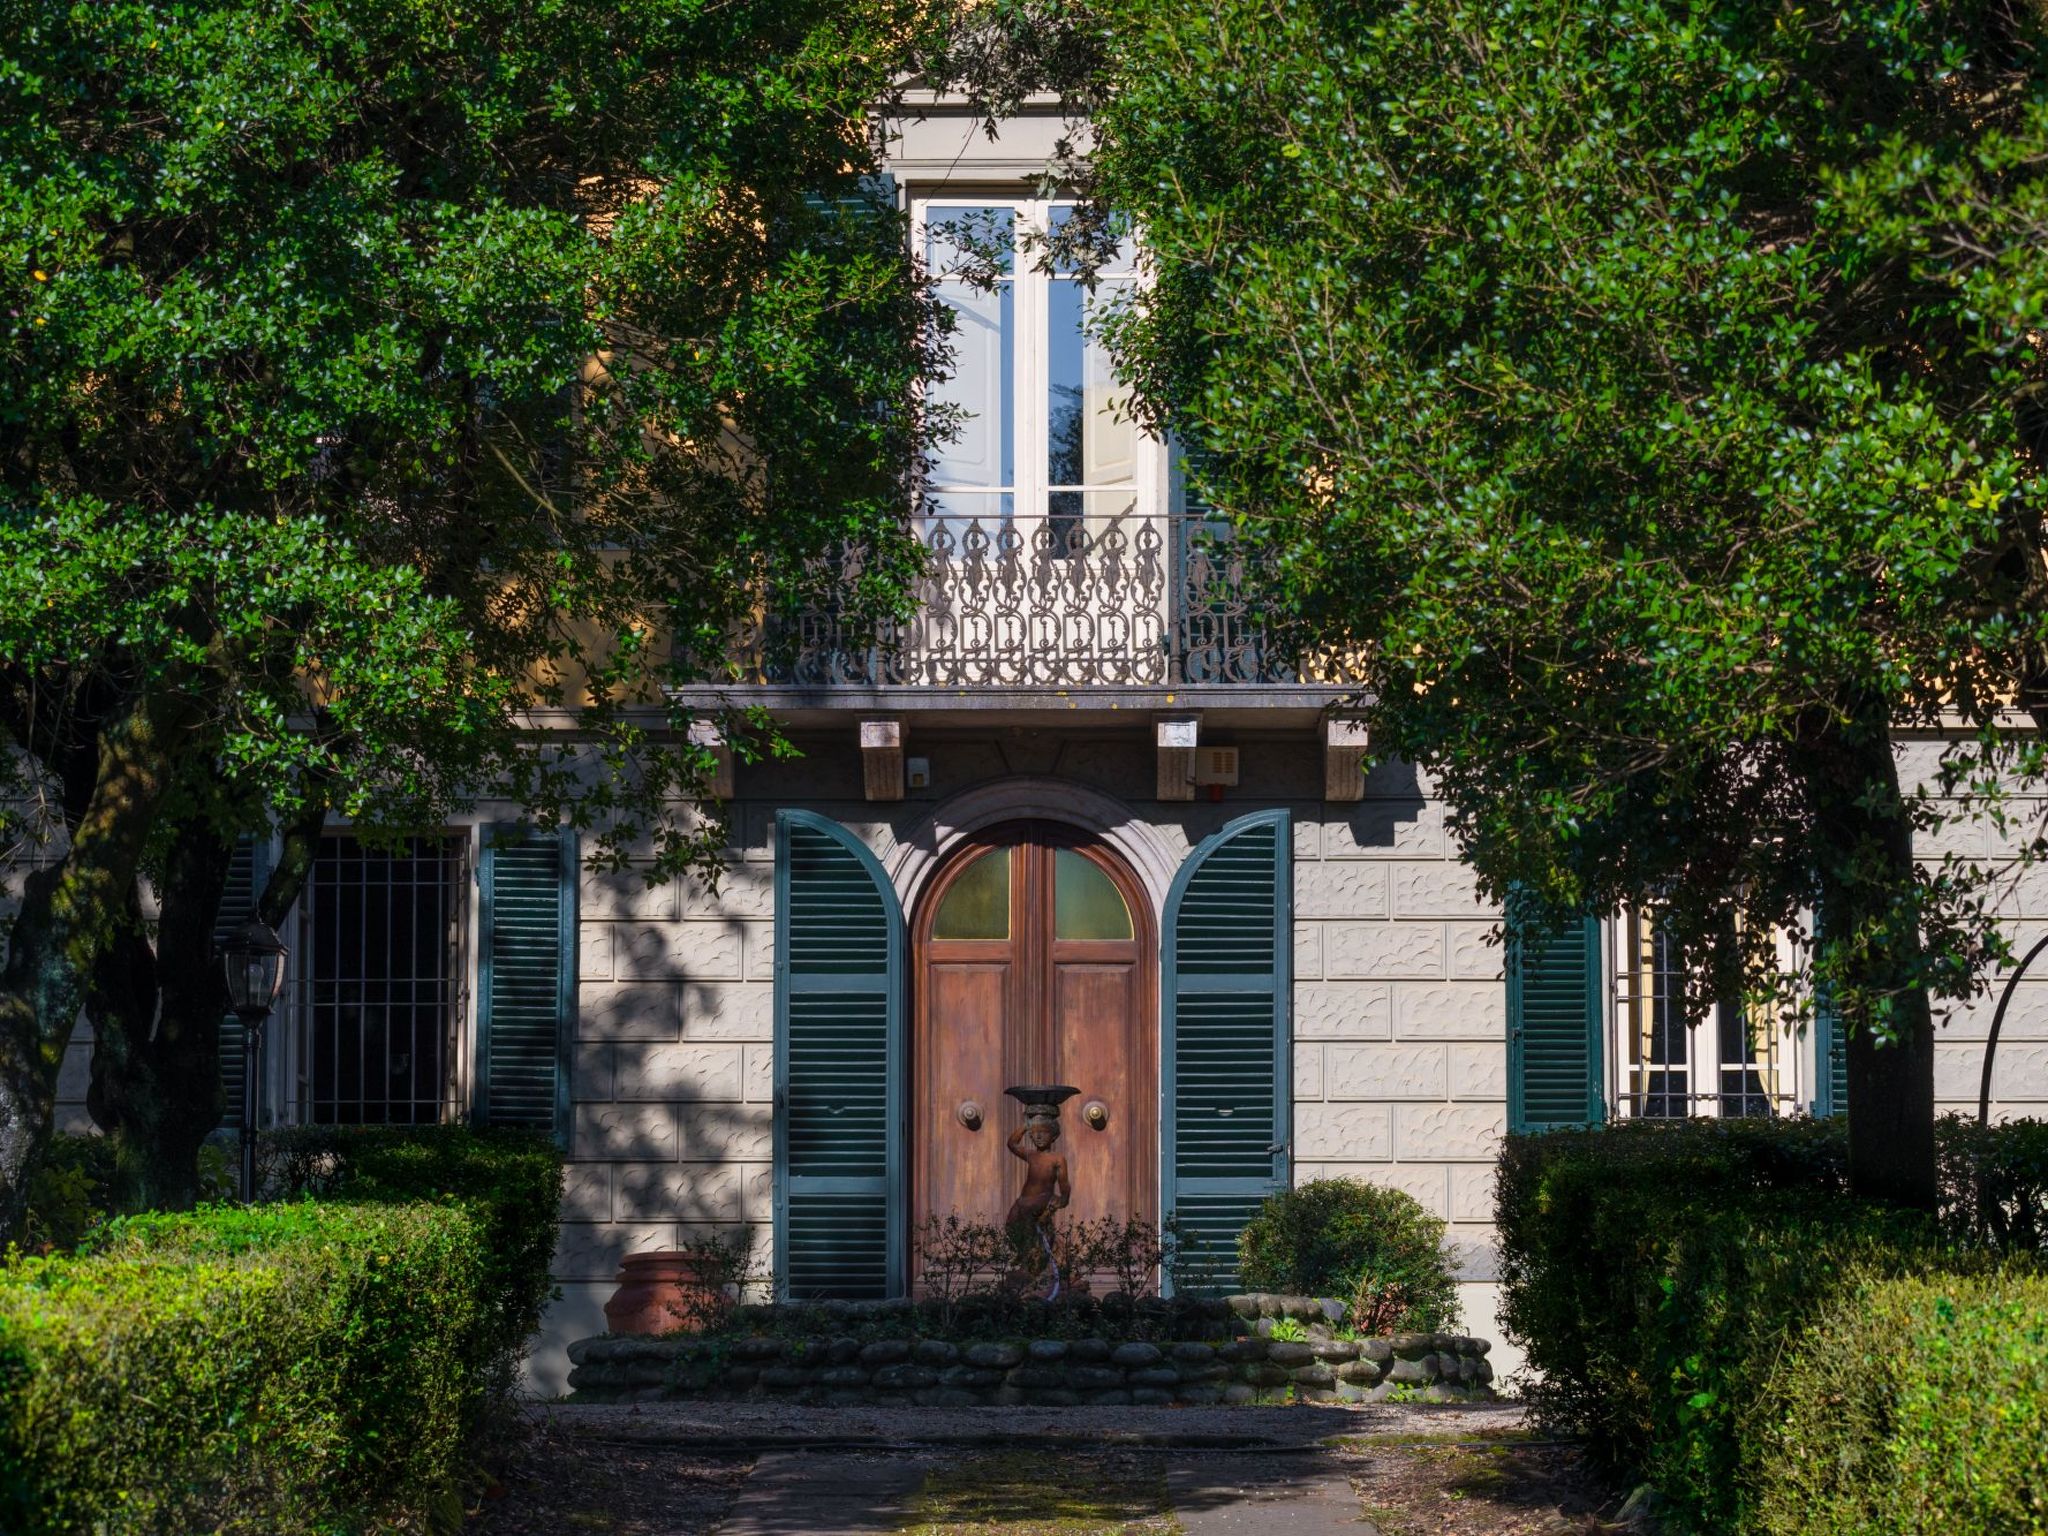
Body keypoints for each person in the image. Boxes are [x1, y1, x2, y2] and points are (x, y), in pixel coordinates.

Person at [1004, 1114, 1071, 1299]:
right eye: (1035, 1133)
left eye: (1043, 1132)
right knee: (1010, 1227)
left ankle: (1035, 1269)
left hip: (1041, 1201)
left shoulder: (1057, 1158)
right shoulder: (1031, 1155)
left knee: (1033, 1235)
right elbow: (1012, 1144)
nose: (1039, 1136)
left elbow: (1064, 1182)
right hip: (1023, 1201)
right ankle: (1026, 1259)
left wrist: (1063, 1198)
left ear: (1054, 1136)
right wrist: (1026, 1125)